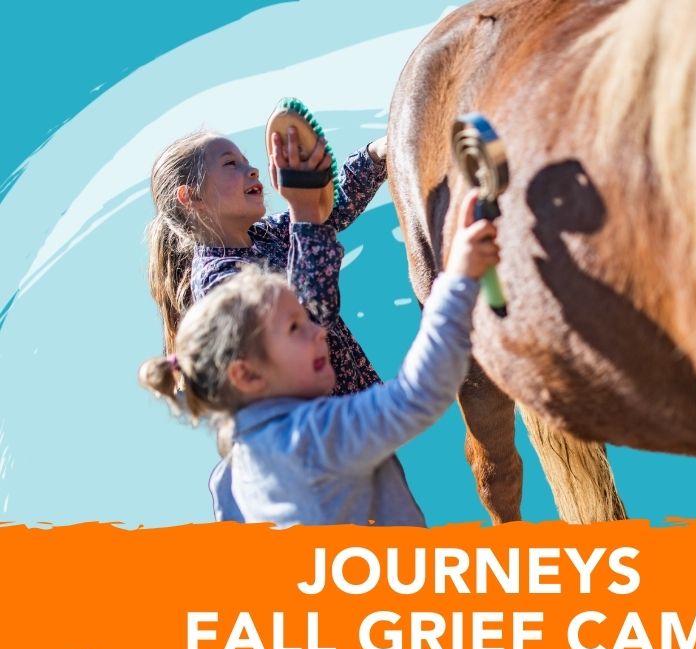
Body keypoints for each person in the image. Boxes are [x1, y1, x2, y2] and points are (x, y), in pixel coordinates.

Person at [139, 190, 500, 527]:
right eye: (295, 327)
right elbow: (417, 394)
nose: (319, 331)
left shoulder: (227, 482)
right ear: (246, 375)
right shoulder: (317, 436)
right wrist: (458, 279)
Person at [147, 123, 387, 394]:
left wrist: (376, 154)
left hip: (359, 408)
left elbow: (329, 211)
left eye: (246, 161)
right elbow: (309, 320)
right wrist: (302, 211)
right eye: (230, 164)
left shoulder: (265, 234)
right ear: (192, 196)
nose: (252, 170)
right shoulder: (218, 282)